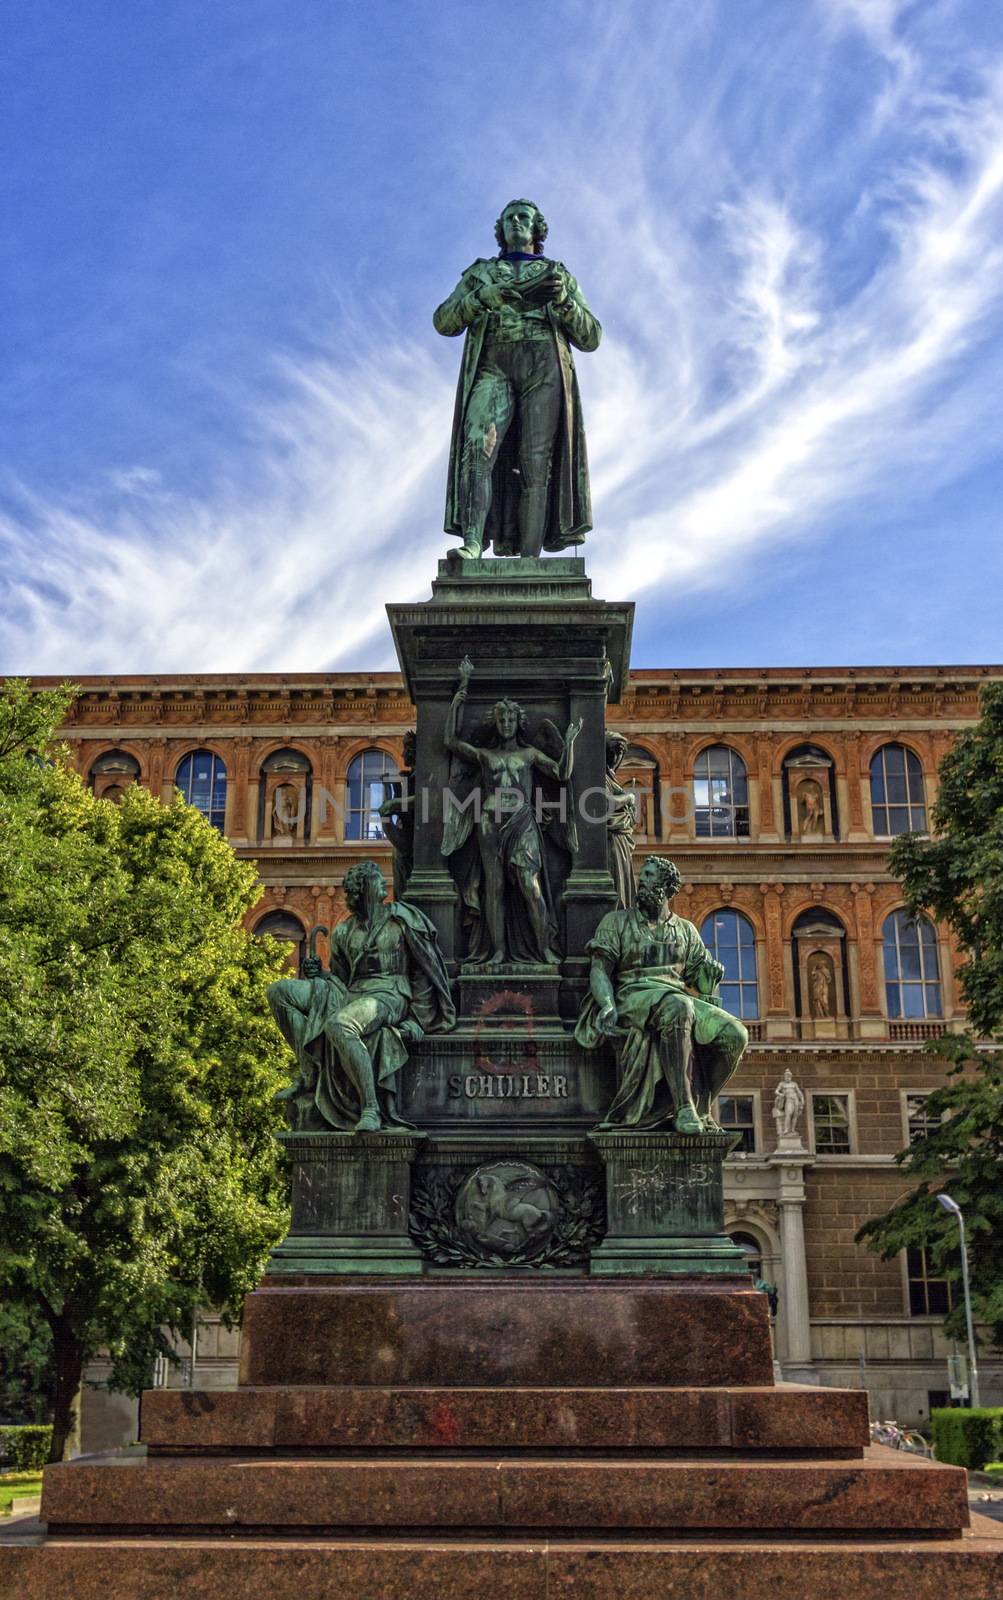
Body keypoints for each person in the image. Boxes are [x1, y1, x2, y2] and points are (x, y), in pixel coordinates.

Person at [434, 198, 601, 561]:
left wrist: (564, 303)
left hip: (543, 366)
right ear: (501, 227)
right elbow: (444, 321)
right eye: (509, 218)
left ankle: (530, 560)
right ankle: (474, 543)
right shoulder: (479, 273)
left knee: (535, 463)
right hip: (494, 363)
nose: (516, 222)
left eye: (523, 217)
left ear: (537, 227)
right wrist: (481, 298)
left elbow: (591, 337)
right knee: (477, 449)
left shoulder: (559, 273)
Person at [267, 860, 454, 1132]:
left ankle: (371, 1108)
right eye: (376, 881)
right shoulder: (344, 931)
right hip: (352, 993)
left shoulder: (401, 920)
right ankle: (308, 1074)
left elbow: (424, 972)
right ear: (366, 890)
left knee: (340, 1025)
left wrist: (418, 1018)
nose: (383, 885)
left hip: (389, 994)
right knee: (279, 992)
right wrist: (320, 975)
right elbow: (342, 980)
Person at [576, 856, 748, 1133]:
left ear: (667, 887)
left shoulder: (686, 931)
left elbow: (701, 981)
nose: (641, 881)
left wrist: (709, 979)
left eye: (650, 876)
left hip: (676, 998)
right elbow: (599, 969)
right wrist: (606, 1004)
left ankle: (700, 1105)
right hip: (632, 995)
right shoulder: (617, 922)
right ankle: (683, 1108)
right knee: (679, 1007)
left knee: (735, 1035)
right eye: (641, 876)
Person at [441, 655, 580, 966]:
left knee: (531, 888)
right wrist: (460, 692)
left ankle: (545, 948)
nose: (506, 724)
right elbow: (449, 740)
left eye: (510, 719)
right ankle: (499, 951)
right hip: (489, 822)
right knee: (494, 888)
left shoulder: (530, 754)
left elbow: (561, 774)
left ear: (519, 722)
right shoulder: (484, 755)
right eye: (501, 719)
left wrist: (569, 743)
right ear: (496, 722)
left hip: (521, 820)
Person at [605, 731, 638, 909]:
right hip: (612, 839)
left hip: (620, 838)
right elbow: (605, 802)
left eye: (620, 754)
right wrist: (629, 798)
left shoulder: (610, 778)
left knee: (622, 884)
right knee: (617, 885)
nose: (617, 759)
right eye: (614, 753)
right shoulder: (598, 777)